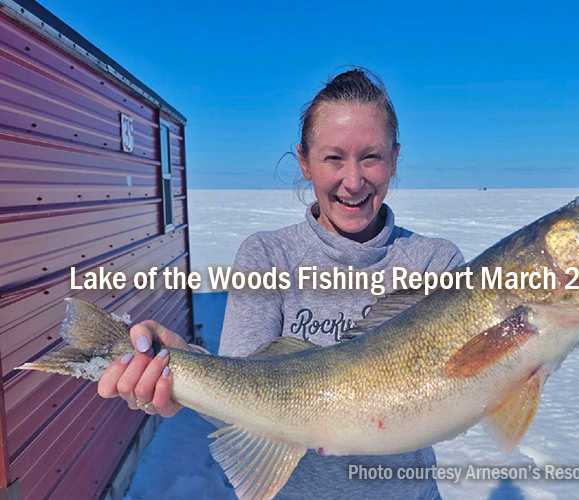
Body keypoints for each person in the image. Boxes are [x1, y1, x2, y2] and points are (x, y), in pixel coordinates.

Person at [97, 68, 464, 500]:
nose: (353, 180)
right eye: (333, 158)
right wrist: (181, 366)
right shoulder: (268, 257)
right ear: (305, 161)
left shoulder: (435, 263)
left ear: (395, 158)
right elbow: (243, 398)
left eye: (371, 157)